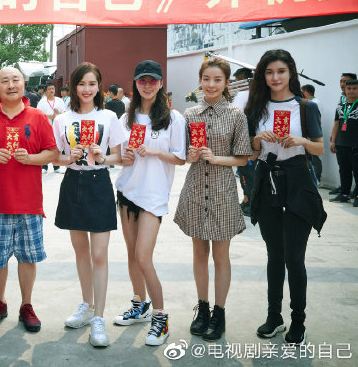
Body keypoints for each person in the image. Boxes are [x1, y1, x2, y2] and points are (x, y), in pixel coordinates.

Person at [245, 49, 326, 345]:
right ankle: (274, 316)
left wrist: (302, 141)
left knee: (294, 256)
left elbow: (319, 148)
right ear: (262, 76)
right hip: (267, 181)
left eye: (280, 71)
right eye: (269, 72)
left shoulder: (305, 107)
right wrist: (257, 140)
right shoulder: (256, 107)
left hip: (298, 183)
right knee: (274, 255)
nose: (275, 77)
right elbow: (251, 153)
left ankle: (298, 321)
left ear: (290, 72)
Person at [0, 66, 58, 333]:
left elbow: (52, 152)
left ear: (23, 85)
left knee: (28, 257)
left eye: (15, 80)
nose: (11, 85)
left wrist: (30, 159)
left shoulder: (38, 117)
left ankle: (26, 305)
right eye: (4, 81)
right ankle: (0, 301)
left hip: (29, 203)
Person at [174, 57, 252, 341]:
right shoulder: (190, 114)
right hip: (195, 189)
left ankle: (219, 312)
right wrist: (190, 155)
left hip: (222, 192)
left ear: (227, 83)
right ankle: (203, 308)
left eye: (217, 80)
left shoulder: (236, 115)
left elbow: (242, 158)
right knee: (199, 253)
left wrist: (215, 157)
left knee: (221, 256)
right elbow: (182, 156)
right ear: (200, 80)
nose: (211, 84)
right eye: (206, 79)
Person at [52, 63, 126, 347]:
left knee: (99, 254)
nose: (86, 89)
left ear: (99, 87)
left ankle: (99, 318)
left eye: (92, 83)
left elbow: (119, 156)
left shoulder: (108, 116)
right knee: (81, 252)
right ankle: (86, 305)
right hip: (73, 182)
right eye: (81, 83)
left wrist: (102, 156)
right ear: (74, 86)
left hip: (98, 184)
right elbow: (54, 157)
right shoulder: (62, 119)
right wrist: (69, 157)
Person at [113, 60, 186, 346]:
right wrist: (125, 157)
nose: (147, 85)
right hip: (127, 192)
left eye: (152, 80)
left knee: (144, 257)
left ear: (161, 84)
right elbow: (120, 157)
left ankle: (160, 317)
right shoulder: (126, 119)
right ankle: (139, 305)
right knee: (132, 255)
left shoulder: (173, 118)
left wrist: (155, 151)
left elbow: (180, 158)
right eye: (142, 80)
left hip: (153, 197)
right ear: (135, 83)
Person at [330, 79, 358, 206]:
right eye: (349, 88)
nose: (351, 91)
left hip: (355, 145)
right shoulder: (340, 106)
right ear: (345, 90)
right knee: (344, 171)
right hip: (341, 144)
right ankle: (344, 194)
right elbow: (336, 124)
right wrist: (333, 141)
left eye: (354, 88)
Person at [231, 67, 255, 215]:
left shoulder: (243, 94)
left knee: (245, 173)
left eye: (237, 81)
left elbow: (233, 116)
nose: (235, 84)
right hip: (255, 142)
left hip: (244, 142)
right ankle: (247, 201)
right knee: (249, 173)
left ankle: (249, 204)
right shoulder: (257, 94)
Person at [36, 83, 65, 173]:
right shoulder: (42, 101)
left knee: (56, 147)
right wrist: (49, 116)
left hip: (57, 128)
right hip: (45, 127)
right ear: (46, 91)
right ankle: (44, 167)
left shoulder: (59, 100)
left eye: (53, 88)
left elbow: (64, 114)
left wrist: (58, 113)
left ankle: (56, 166)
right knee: (45, 147)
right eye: (49, 89)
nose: (51, 90)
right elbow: (38, 114)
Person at [301, 84, 323, 183]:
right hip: (309, 134)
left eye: (301, 92)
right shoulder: (310, 102)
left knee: (315, 158)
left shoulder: (314, 103)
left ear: (305, 92)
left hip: (313, 134)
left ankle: (317, 179)